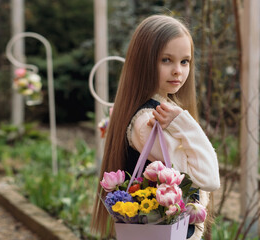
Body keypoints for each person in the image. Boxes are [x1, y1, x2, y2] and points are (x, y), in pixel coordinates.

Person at [91, 15, 220, 240]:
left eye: (185, 61)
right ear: (144, 62)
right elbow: (208, 178)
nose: (178, 71)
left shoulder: (163, 108)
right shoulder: (148, 122)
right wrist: (186, 125)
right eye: (166, 60)